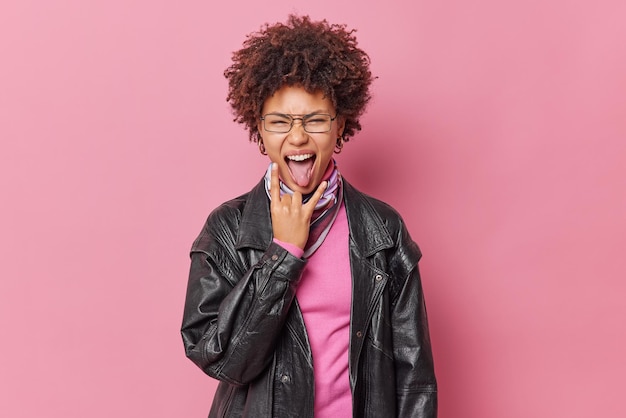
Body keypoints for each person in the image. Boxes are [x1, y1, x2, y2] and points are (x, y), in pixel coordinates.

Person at [181, 14, 437, 418]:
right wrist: (282, 255)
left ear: (340, 126)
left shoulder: (381, 229)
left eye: (315, 120)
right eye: (280, 122)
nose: (298, 137)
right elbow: (222, 359)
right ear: (260, 132)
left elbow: (413, 373)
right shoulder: (228, 229)